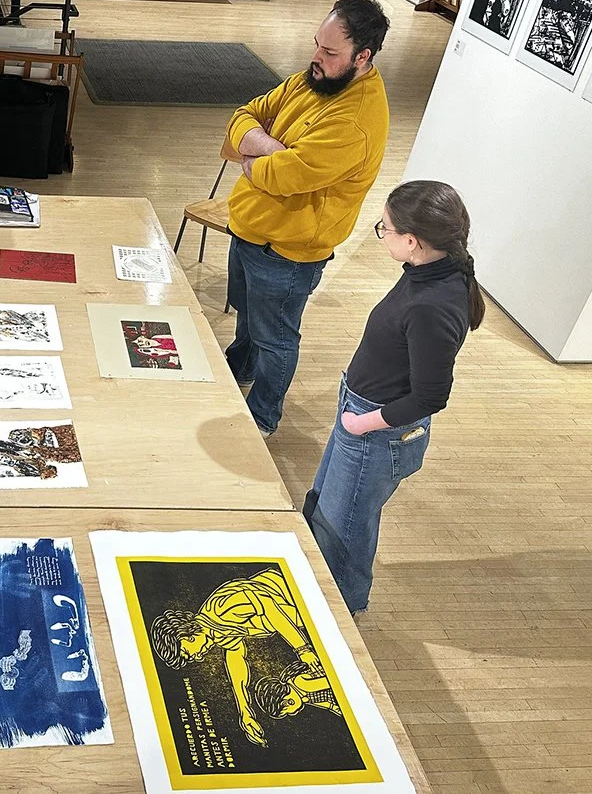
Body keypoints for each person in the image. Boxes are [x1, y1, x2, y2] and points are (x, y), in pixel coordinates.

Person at [304, 180, 484, 615]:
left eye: (384, 228)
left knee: (343, 532)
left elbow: (430, 396)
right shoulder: (429, 273)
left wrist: (359, 424)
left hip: (374, 430)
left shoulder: (432, 305)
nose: (380, 234)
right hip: (361, 414)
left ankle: (339, 614)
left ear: (412, 241)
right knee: (323, 513)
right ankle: (315, 593)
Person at [223, 0, 391, 437]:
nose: (316, 57)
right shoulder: (312, 79)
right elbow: (244, 115)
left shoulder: (355, 119)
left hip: (288, 251)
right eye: (317, 43)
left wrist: (255, 153)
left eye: (330, 52)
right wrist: (268, 147)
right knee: (247, 316)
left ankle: (262, 418)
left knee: (275, 338)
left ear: (363, 57)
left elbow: (284, 174)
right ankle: (236, 370)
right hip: (251, 227)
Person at [150, 568, 323, 747]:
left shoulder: (220, 608)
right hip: (304, 613)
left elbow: (269, 606)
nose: (197, 657)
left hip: (302, 589)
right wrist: (245, 711)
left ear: (186, 635)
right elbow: (235, 658)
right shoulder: (216, 632)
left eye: (188, 653)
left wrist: (303, 650)